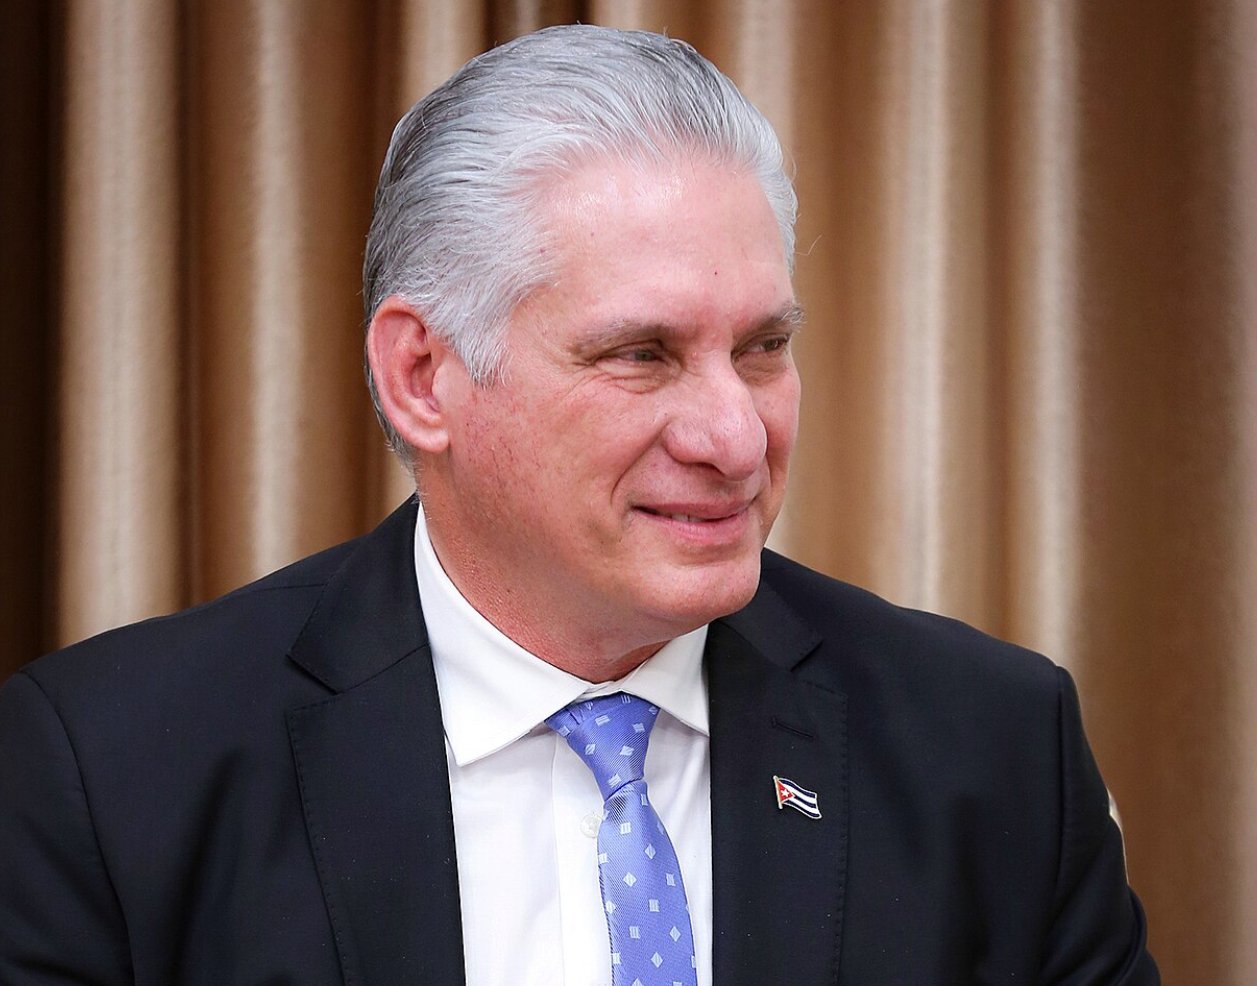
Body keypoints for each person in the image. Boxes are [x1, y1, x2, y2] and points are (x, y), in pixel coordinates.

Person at [0, 24, 1157, 986]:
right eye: (642, 354)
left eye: (763, 347)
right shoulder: (103, 776)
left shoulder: (994, 749)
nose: (737, 435)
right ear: (424, 376)